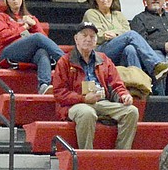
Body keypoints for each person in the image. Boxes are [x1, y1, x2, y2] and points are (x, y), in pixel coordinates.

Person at [52, 21, 138, 149]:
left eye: (92, 36)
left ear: (96, 40)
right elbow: (59, 93)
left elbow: (116, 84)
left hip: (102, 102)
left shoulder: (104, 59)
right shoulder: (65, 61)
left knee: (132, 111)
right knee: (87, 113)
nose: (88, 39)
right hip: (75, 105)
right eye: (84, 35)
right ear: (76, 39)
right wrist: (83, 98)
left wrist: (124, 95)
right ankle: (86, 155)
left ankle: (121, 153)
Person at [82, 0, 168, 83]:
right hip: (100, 52)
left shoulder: (118, 14)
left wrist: (115, 35)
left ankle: (139, 83)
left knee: (130, 49)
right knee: (131, 35)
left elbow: (126, 30)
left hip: (118, 51)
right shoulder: (91, 13)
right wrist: (119, 34)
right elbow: (99, 35)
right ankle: (156, 65)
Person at [0, 0, 65, 95]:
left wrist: (34, 25)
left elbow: (45, 40)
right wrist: (24, 27)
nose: (14, 0)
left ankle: (43, 86)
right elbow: (2, 36)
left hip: (28, 53)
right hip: (8, 52)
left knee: (42, 52)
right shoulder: (1, 16)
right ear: (6, 0)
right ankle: (66, 62)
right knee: (37, 37)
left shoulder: (31, 18)